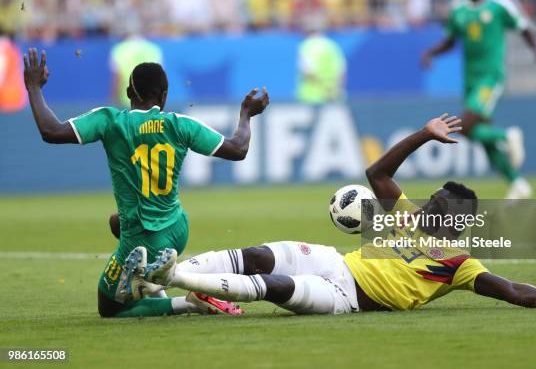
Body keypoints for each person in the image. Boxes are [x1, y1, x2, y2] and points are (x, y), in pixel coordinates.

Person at [124, 114, 536, 314]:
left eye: (440, 204)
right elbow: (377, 171)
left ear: (457, 219)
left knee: (274, 290)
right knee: (256, 255)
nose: (429, 203)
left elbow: (511, 289)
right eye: (433, 198)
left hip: (346, 297)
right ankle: (160, 274)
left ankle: (174, 276)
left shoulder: (459, 263)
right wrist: (423, 134)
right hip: (333, 262)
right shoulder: (405, 214)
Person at [22, 48, 270, 317]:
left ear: (129, 93)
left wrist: (34, 87)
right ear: (164, 96)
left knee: (109, 308)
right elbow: (238, 149)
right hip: (177, 229)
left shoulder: (110, 121)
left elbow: (51, 130)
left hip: (142, 237)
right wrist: (246, 114)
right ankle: (151, 281)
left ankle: (188, 302)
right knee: (116, 221)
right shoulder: (179, 124)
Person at [421, 0, 536, 200]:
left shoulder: (499, 6)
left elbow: (525, 29)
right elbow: (450, 40)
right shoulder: (458, 9)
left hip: (491, 77)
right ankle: (517, 183)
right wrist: (431, 53)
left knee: (466, 126)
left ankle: (507, 136)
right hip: (470, 79)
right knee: (479, 133)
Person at [296, 20, 347, 104]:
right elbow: (342, 71)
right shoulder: (333, 45)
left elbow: (307, 72)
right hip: (333, 95)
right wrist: (333, 90)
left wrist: (324, 89)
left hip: (311, 97)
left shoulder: (306, 46)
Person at [110, 34, 163, 107]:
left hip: (127, 99)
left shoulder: (119, 49)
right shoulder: (153, 48)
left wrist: (114, 98)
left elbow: (117, 77)